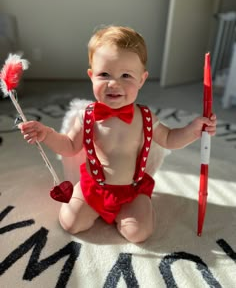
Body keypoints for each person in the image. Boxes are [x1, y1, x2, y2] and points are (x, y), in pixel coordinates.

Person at [18, 25, 217, 243]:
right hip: (94, 187)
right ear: (91, 76)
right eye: (104, 74)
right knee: (71, 224)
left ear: (141, 79)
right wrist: (46, 134)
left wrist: (193, 129)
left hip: (131, 190)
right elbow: (69, 146)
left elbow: (170, 139)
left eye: (126, 76)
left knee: (138, 233)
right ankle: (92, 208)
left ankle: (138, 208)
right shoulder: (87, 116)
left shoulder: (145, 117)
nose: (114, 84)